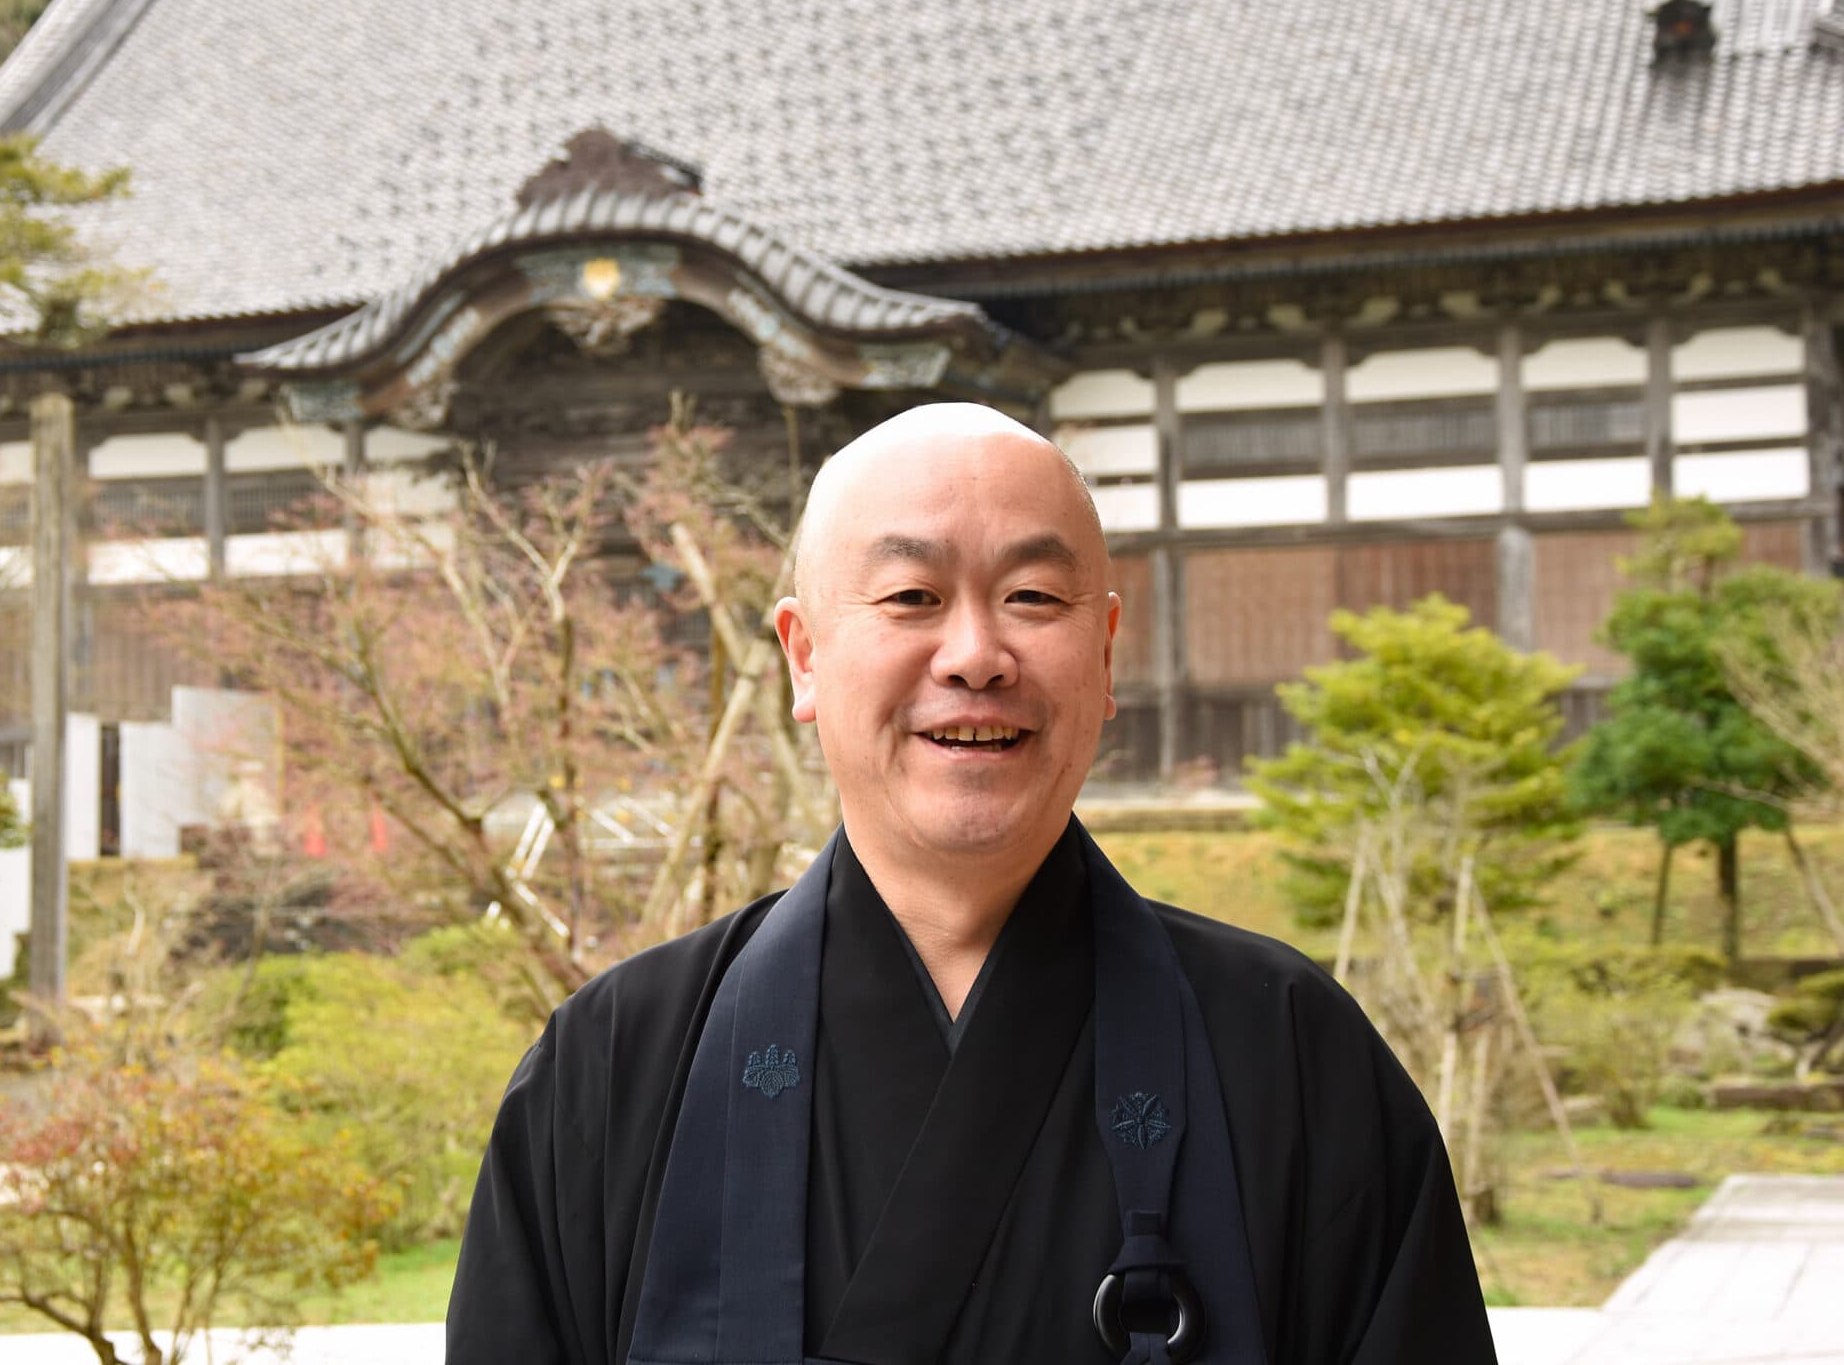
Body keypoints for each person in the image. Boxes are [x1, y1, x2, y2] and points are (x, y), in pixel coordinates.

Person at [445, 402, 1497, 1364]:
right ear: (803, 658)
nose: (975, 654)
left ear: (1106, 652)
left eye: (1031, 597)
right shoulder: (610, 1070)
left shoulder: (1293, 1056)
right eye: (911, 596)